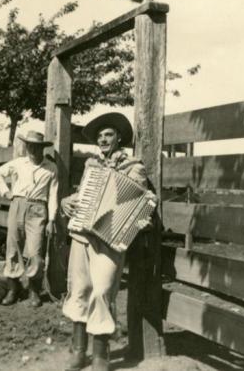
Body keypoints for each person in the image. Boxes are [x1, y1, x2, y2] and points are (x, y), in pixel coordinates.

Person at [61, 112, 156, 371]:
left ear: (119, 138)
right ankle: (79, 350)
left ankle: (101, 354)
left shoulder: (134, 166)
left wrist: (139, 218)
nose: (103, 140)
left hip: (113, 238)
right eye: (100, 136)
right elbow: (81, 196)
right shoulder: (91, 165)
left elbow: (140, 201)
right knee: (79, 288)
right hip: (83, 233)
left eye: (108, 135)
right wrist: (66, 202)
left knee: (102, 291)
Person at [0, 130, 58, 307]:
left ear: (42, 148)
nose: (32, 149)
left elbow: (53, 195)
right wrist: (6, 192)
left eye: (36, 146)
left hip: (38, 209)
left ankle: (33, 291)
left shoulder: (51, 168)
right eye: (29, 145)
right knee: (13, 248)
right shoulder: (19, 163)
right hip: (17, 205)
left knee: (35, 251)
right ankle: (13, 289)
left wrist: (51, 220)